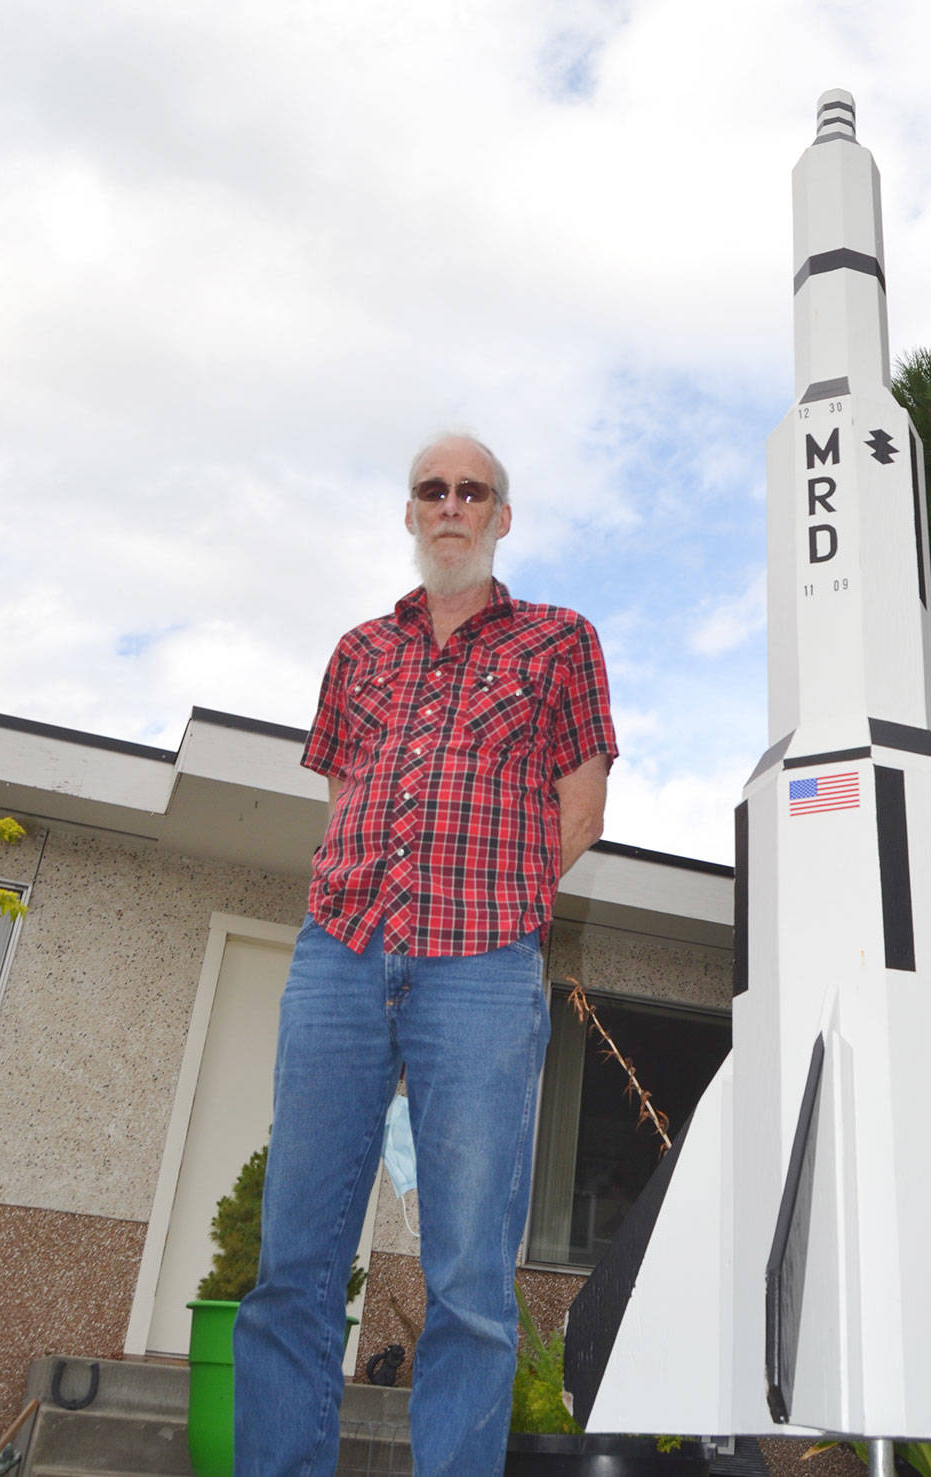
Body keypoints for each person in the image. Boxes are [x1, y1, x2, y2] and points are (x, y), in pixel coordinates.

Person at [233, 433, 618, 1475]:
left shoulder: (558, 640)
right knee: (292, 1266)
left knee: (468, 1281)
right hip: (342, 953)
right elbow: (340, 792)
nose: (450, 504)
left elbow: (578, 808)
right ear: (409, 513)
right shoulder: (358, 650)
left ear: (501, 516)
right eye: (430, 490)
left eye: (472, 490)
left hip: (481, 966)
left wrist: (494, 901)